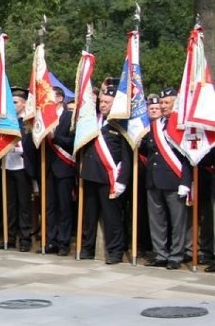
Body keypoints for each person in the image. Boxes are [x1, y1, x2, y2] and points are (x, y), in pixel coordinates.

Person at [79, 84, 131, 263]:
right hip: (91, 174)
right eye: (102, 101)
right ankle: (87, 248)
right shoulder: (92, 121)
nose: (103, 105)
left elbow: (126, 156)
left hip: (110, 177)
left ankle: (115, 251)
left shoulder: (121, 125)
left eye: (107, 102)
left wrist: (122, 180)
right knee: (89, 216)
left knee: (112, 217)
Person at [141, 91, 192, 269]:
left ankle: (176, 256)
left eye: (166, 102)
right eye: (161, 103)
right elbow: (148, 150)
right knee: (156, 220)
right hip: (154, 180)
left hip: (174, 180)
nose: (162, 106)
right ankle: (160, 254)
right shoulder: (155, 125)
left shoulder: (180, 125)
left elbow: (187, 156)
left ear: (174, 104)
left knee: (177, 222)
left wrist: (186, 182)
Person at [0, 88, 37, 252]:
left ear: (24, 103)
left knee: (24, 205)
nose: (12, 105)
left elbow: (35, 146)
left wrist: (23, 151)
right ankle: (9, 237)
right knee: (9, 204)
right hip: (8, 165)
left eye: (15, 102)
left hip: (23, 167)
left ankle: (25, 239)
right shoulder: (7, 120)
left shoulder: (28, 121)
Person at [44, 87, 76, 256]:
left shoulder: (69, 117)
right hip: (47, 167)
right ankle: (51, 240)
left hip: (64, 167)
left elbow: (73, 142)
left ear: (60, 98)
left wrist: (54, 137)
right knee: (50, 207)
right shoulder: (44, 118)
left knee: (64, 208)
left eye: (50, 96)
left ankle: (64, 242)